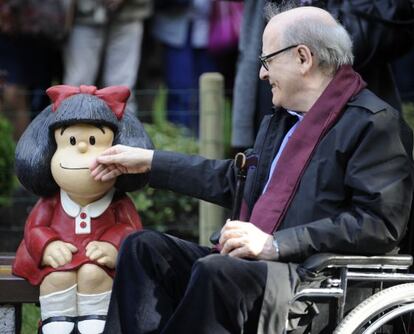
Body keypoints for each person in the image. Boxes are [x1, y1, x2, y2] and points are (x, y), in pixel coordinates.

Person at [91, 5, 414, 333]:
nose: (262, 73)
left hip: (316, 284)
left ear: (303, 58)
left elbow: (378, 225)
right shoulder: (283, 122)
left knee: (217, 271)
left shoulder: (374, 124)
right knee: (143, 249)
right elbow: (236, 179)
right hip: (262, 272)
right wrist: (151, 162)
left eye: (267, 60)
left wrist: (275, 244)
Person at [12, 85, 153, 334]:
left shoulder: (117, 202)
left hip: (100, 267)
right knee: (56, 278)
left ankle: (97, 321)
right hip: (58, 263)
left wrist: (113, 245)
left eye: (93, 141)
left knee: (93, 274)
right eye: (72, 141)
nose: (82, 150)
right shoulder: (52, 202)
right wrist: (47, 245)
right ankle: (55, 322)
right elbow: (34, 227)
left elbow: (131, 230)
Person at [63, 0, 152, 115]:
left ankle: (126, 131)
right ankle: (71, 129)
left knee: (122, 90)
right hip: (84, 13)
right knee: (78, 87)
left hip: (129, 13)